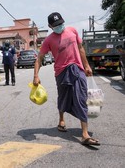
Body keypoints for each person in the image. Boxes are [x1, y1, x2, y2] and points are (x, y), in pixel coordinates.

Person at [33, 12, 100, 146]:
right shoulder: (48, 40)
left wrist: (86, 65)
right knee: (63, 98)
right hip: (61, 73)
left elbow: (80, 48)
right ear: (50, 26)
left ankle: (84, 134)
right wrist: (36, 75)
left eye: (61, 23)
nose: (60, 26)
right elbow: (39, 58)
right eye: (56, 25)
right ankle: (61, 120)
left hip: (77, 69)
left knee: (81, 98)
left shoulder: (72, 31)